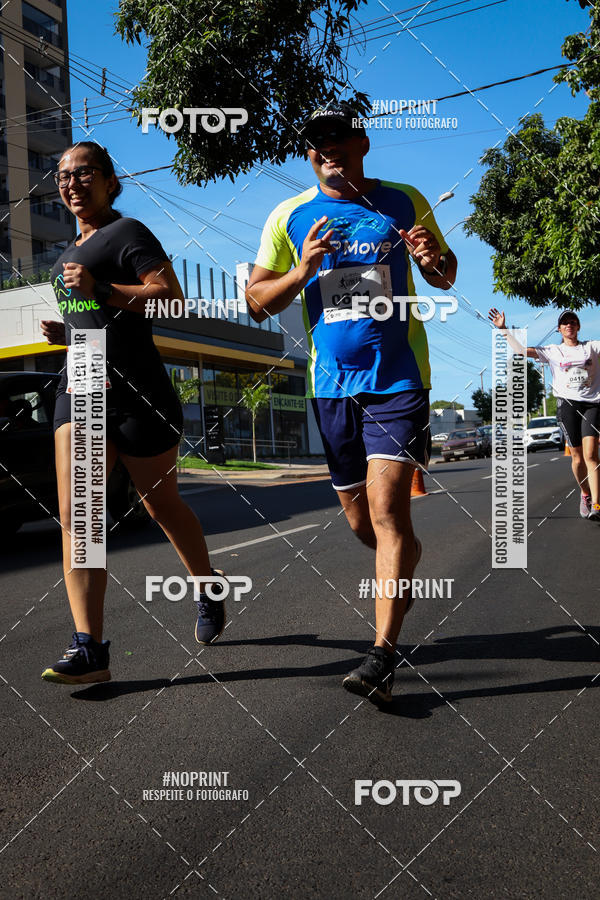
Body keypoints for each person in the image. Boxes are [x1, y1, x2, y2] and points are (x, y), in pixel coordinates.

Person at [246, 103, 457, 704]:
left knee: (388, 510)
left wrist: (430, 259)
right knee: (363, 523)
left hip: (397, 381)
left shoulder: (404, 199)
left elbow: (445, 276)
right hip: (331, 387)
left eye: (338, 136)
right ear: (307, 152)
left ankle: (382, 657)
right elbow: (257, 300)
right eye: (316, 141)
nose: (327, 147)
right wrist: (303, 271)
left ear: (361, 142)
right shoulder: (289, 216)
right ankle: (403, 560)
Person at [40, 142, 226, 685]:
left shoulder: (129, 234)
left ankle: (207, 585)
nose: (71, 184)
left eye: (83, 173)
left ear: (109, 181)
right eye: (62, 176)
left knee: (161, 503)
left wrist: (100, 288)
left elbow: (169, 298)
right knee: (82, 517)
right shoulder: (63, 256)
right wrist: (67, 337)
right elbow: (94, 322)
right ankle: (90, 649)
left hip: (141, 393)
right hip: (82, 388)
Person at [489, 308, 600, 521]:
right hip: (568, 406)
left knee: (591, 455)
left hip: (593, 405)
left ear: (578, 327)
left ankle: (597, 503)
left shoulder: (592, 347)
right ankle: (585, 493)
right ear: (559, 329)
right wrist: (503, 329)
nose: (569, 325)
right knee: (577, 458)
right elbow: (521, 350)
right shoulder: (553, 351)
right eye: (565, 322)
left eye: (573, 321)